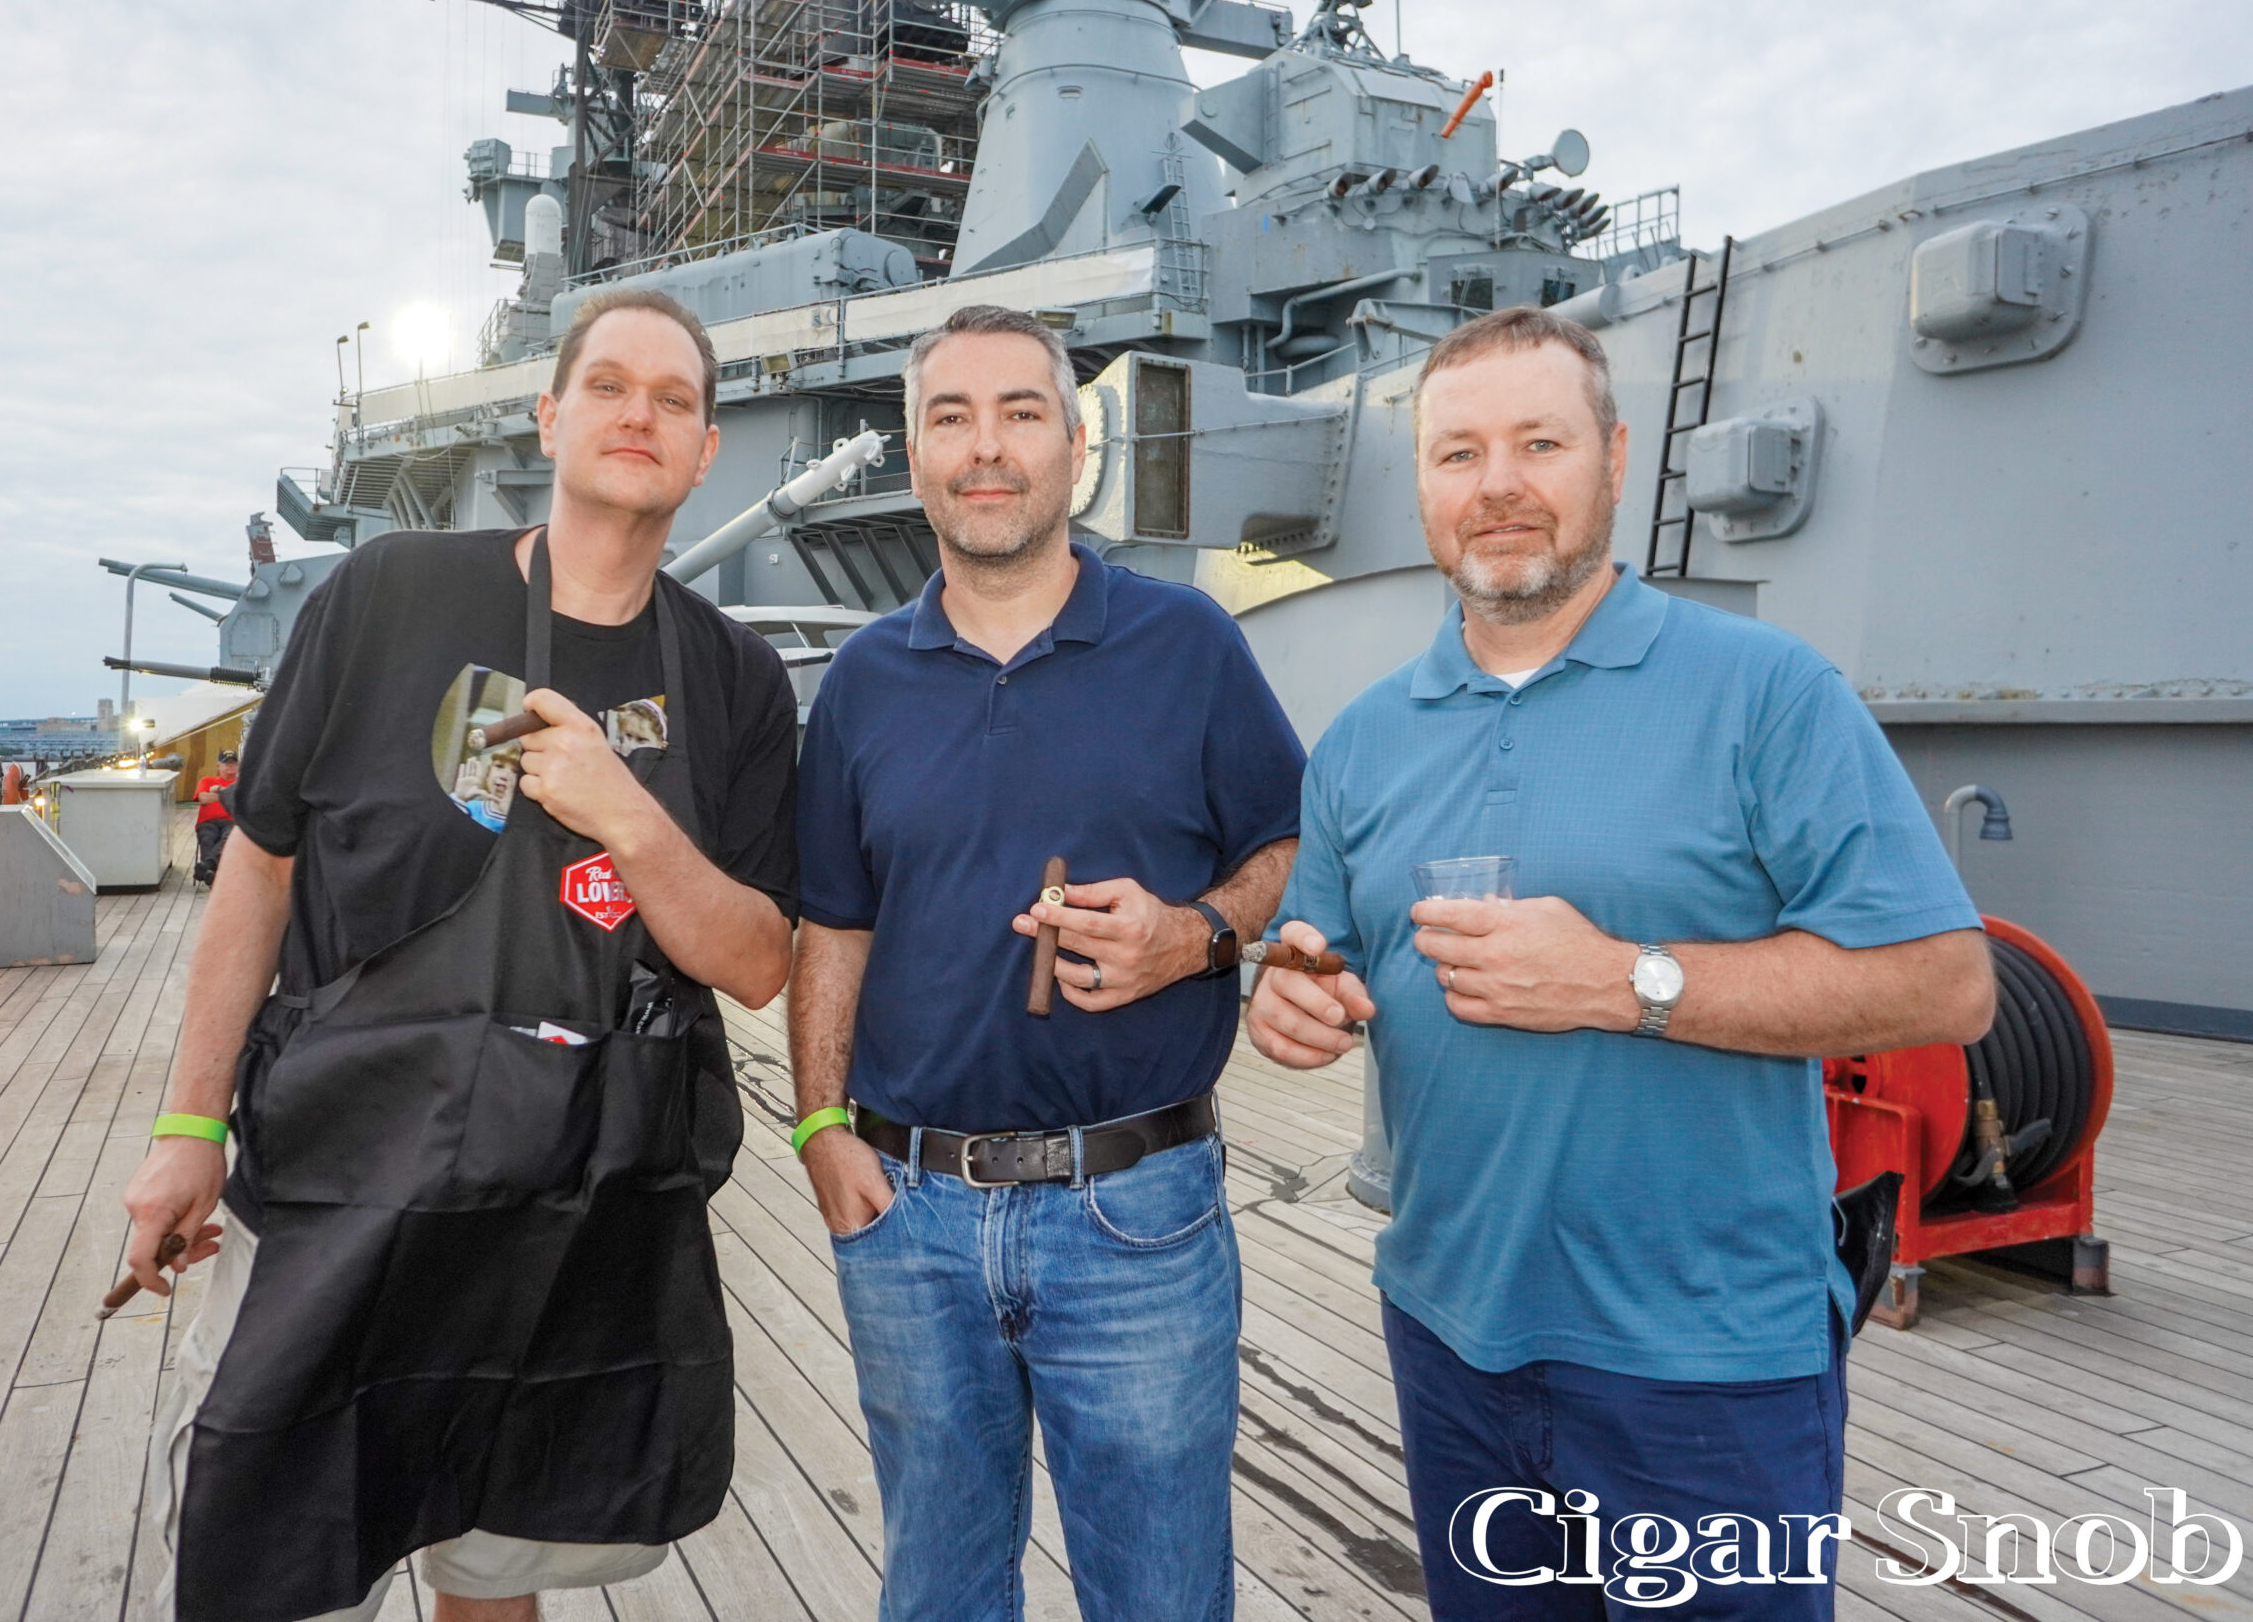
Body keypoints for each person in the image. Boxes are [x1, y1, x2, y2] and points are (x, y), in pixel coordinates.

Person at [1248, 306, 1996, 1619]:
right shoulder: (1362, 741)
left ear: (1614, 455)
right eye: (1458, 452)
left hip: (1708, 1364)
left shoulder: (1768, 692)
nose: (1498, 486)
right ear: (1419, 481)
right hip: (1450, 1338)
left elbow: (1946, 980)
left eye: (1540, 441)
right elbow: (1322, 948)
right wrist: (1294, 993)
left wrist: (1627, 981)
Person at [121, 288, 801, 1622]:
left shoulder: (734, 678)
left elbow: (760, 956)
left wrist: (622, 808)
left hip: (572, 1216)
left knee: (494, 1570)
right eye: (609, 384)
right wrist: (189, 1121)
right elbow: (259, 866)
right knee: (261, 1549)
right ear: (550, 417)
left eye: (674, 398)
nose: (639, 415)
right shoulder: (387, 594)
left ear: (708, 448)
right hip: (343, 1179)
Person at [790, 304, 1308, 1621]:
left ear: (1076, 446)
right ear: (914, 457)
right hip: (910, 1214)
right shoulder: (860, 682)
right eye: (951, 416)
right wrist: (816, 1129)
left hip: (1137, 1210)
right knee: (941, 1593)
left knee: (1162, 1595)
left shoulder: (1189, 642)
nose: (988, 447)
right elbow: (833, 923)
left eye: (1022, 412)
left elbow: (1293, 843)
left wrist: (1196, 934)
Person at [191, 750, 238, 885]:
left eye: (233, 763)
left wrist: (218, 793)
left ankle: (206, 868)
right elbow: (203, 798)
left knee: (229, 836)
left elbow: (244, 800)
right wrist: (228, 796)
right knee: (207, 838)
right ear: (218, 766)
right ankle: (211, 872)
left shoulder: (241, 782)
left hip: (231, 821)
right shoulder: (207, 780)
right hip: (207, 822)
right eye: (226, 763)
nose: (230, 767)